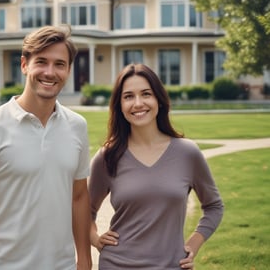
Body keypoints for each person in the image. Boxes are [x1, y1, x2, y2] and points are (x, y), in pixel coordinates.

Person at [0, 25, 92, 270]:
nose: (50, 72)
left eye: (59, 64)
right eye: (41, 62)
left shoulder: (77, 126)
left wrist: (84, 259)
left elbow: (79, 197)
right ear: (24, 65)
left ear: (69, 70)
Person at [88, 63, 224, 270]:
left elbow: (214, 206)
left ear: (158, 100)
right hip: (117, 264)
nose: (138, 103)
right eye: (128, 96)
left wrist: (192, 245)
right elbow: (83, 209)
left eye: (146, 94)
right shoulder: (108, 156)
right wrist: (95, 238)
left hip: (171, 265)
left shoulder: (187, 153)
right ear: (119, 105)